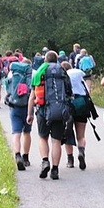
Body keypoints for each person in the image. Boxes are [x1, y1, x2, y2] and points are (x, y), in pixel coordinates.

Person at [27, 51, 73, 180]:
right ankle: (55, 170)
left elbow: (32, 96)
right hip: (60, 110)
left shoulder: (39, 72)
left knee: (43, 138)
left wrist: (29, 114)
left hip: (43, 110)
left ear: (45, 60)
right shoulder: (62, 71)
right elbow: (69, 91)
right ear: (56, 59)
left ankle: (45, 161)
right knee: (56, 140)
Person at [5, 58, 33, 170]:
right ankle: (26, 158)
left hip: (14, 107)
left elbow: (7, 88)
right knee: (27, 132)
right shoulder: (31, 75)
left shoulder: (13, 74)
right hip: (27, 107)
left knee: (16, 133)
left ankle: (17, 155)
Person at [61, 61, 89, 170]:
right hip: (81, 103)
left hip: (68, 105)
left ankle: (70, 160)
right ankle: (81, 152)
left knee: (67, 133)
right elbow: (87, 90)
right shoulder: (78, 74)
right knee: (81, 135)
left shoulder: (63, 77)